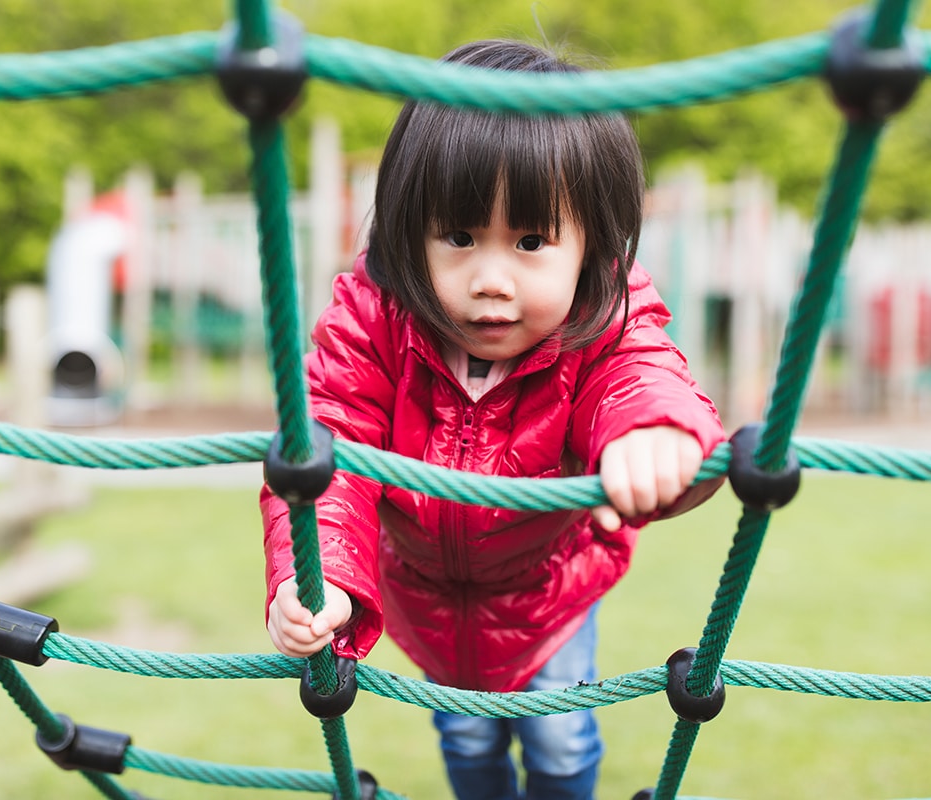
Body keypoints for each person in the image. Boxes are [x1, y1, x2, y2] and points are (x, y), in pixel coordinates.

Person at [262, 37, 727, 800]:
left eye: (533, 241)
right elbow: (326, 450)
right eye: (459, 236)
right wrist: (318, 575)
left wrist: (655, 436)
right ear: (411, 226)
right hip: (426, 603)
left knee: (561, 738)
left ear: (592, 245)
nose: (490, 281)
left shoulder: (600, 319)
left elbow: (639, 374)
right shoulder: (373, 321)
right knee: (467, 738)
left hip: (548, 591)